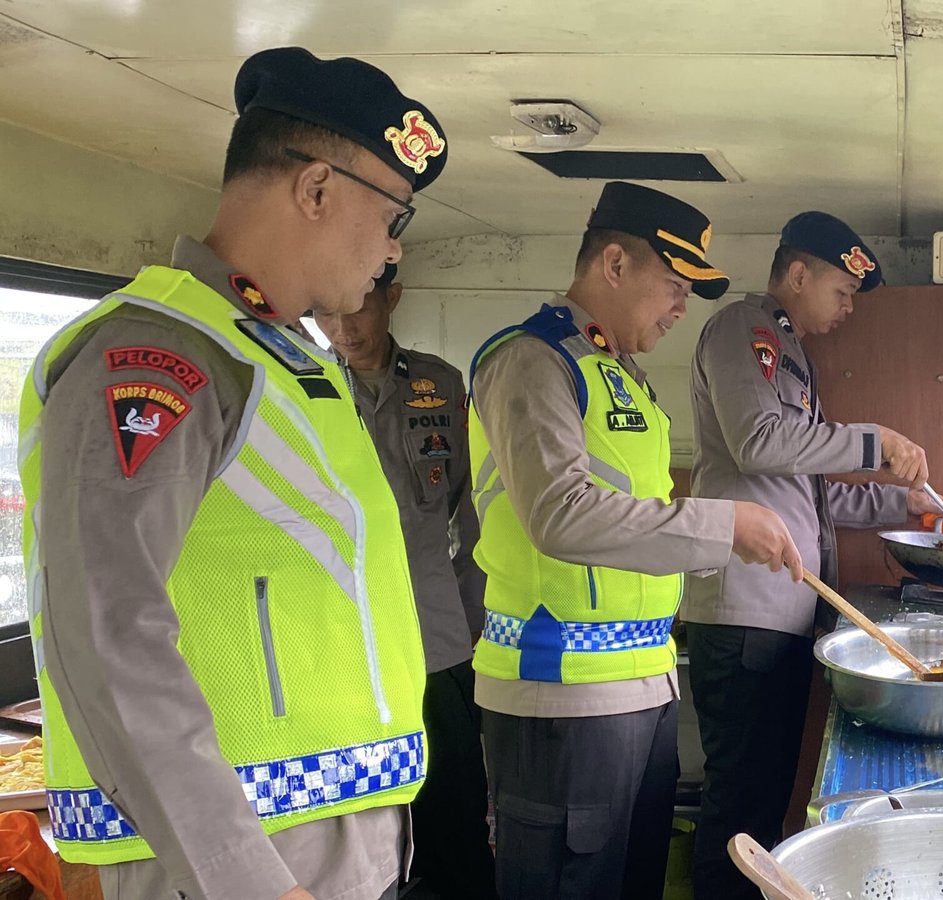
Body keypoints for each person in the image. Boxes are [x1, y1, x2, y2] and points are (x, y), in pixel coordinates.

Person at [21, 46, 448, 900]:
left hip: (324, 839)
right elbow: (106, 630)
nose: (394, 252)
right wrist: (238, 874)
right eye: (393, 216)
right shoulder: (159, 354)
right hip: (229, 859)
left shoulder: (286, 359)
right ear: (317, 189)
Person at [467, 180, 802, 899]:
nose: (683, 306)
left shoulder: (620, 375)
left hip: (639, 682)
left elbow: (634, 517)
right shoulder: (532, 360)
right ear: (613, 265)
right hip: (559, 690)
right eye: (674, 284)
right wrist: (724, 524)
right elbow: (560, 513)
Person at [683, 211, 935, 898]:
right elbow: (757, 443)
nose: (848, 310)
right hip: (743, 618)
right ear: (797, 274)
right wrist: (873, 440)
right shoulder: (745, 330)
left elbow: (814, 500)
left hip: (781, 616)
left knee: (762, 805)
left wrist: (903, 505)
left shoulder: (792, 360)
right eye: (841, 292)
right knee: (739, 808)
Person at [311, 263, 496, 897]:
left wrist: (477, 617)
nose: (342, 328)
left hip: (435, 634)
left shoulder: (438, 386)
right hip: (339, 641)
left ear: (393, 297)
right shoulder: (295, 383)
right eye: (326, 313)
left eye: (358, 309)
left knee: (455, 806)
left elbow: (473, 515)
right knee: (368, 820)